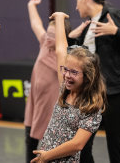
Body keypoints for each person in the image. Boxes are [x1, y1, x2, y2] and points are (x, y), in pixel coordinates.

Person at [68, 0, 120, 163]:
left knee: (116, 151)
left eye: (77, 1)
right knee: (80, 147)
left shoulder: (114, 15)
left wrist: (116, 31)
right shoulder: (89, 26)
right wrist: (72, 39)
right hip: (93, 96)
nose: (76, 7)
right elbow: (81, 60)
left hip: (117, 94)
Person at [30, 12, 106, 163]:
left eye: (74, 72)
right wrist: (59, 19)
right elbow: (60, 49)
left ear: (88, 76)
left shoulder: (91, 106)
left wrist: (47, 156)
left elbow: (77, 144)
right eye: (66, 70)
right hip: (46, 158)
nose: (67, 75)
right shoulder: (64, 89)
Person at [24, 0, 72, 163]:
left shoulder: (63, 55)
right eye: (48, 34)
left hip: (50, 104)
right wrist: (31, 6)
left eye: (53, 35)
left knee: (46, 144)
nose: (49, 38)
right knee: (30, 140)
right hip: (36, 100)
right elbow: (36, 24)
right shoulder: (45, 44)